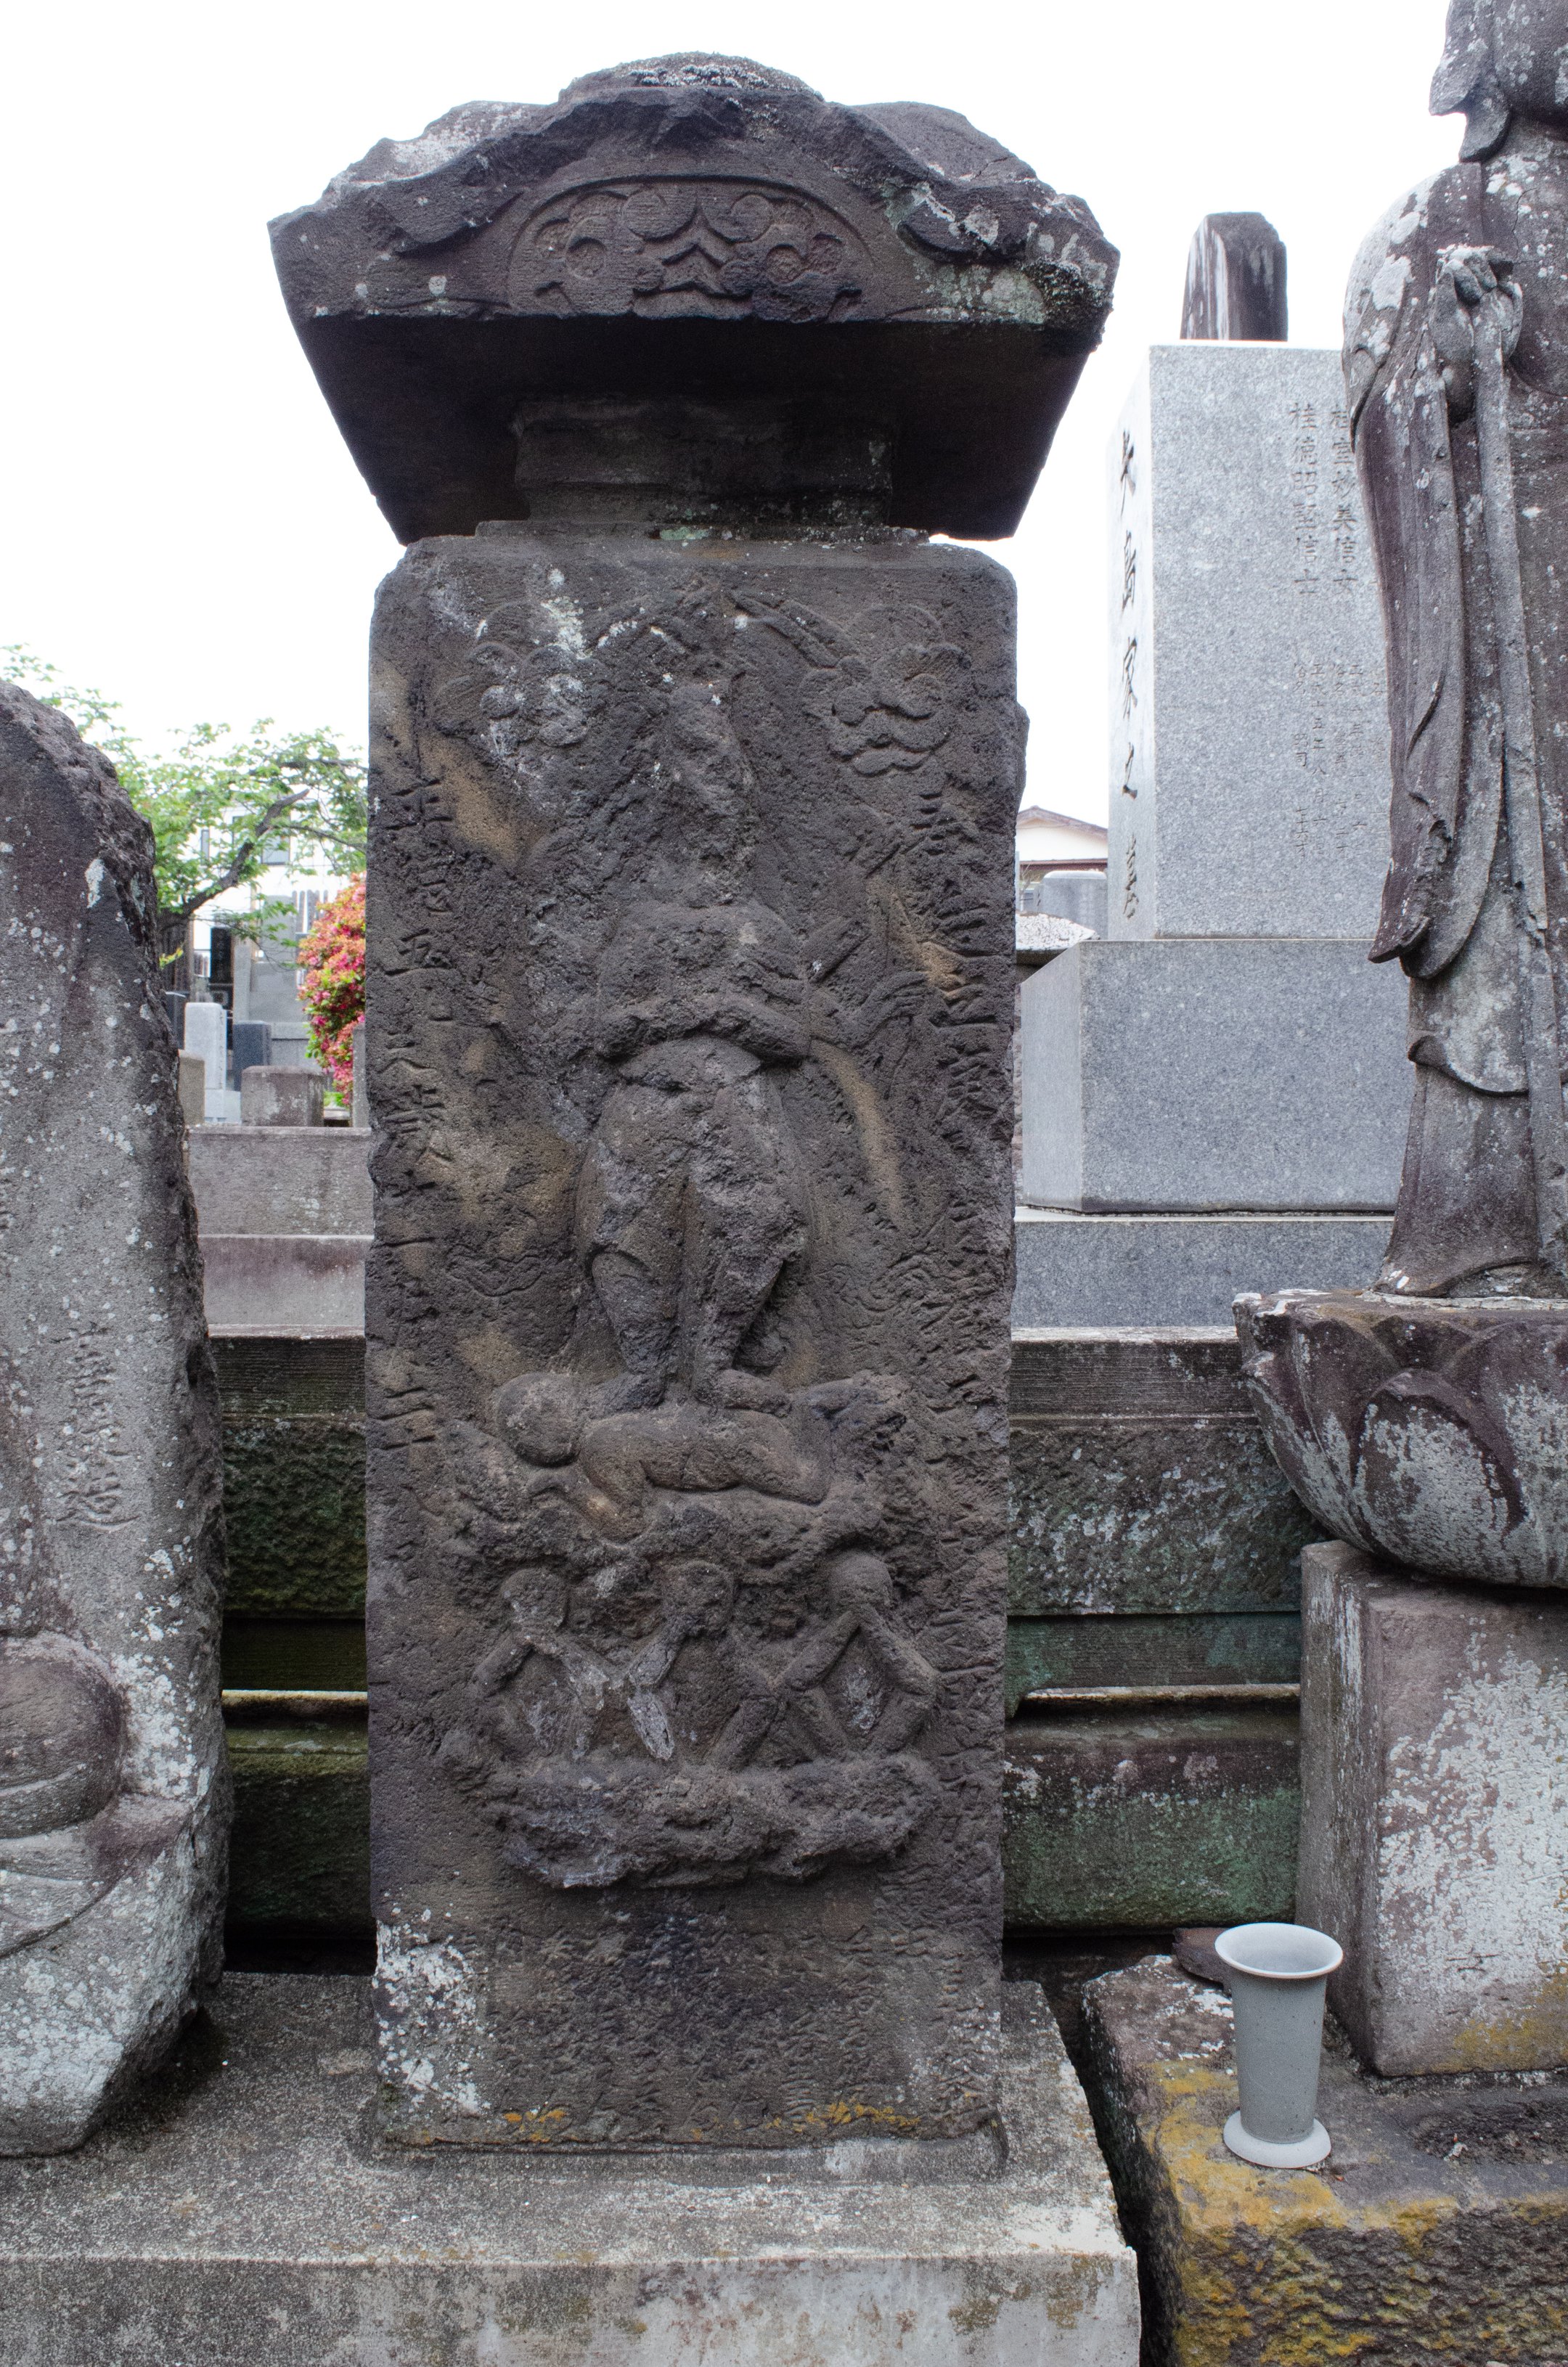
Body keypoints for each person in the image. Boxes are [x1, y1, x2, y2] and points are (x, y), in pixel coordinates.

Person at [1345, 0, 1568, 1294]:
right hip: (1503, 645)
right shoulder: (1440, 226)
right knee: (1497, 962)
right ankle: (1486, 1235)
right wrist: (1446, 377)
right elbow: (1386, 429)